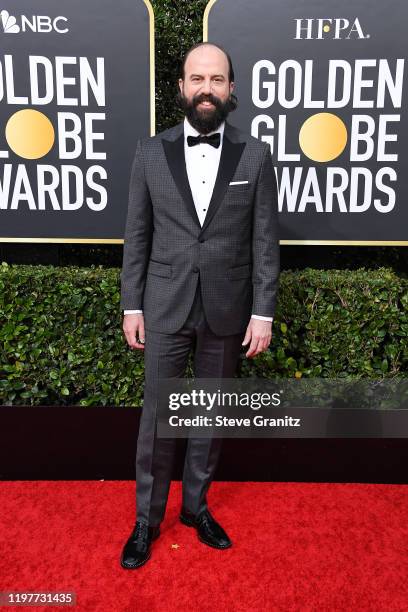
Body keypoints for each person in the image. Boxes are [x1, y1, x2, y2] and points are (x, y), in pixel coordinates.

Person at [119, 42, 280, 569]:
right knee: (157, 420)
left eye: (216, 79)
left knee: (210, 416)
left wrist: (263, 312)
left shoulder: (254, 155)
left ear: (232, 89)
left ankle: (195, 509)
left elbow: (264, 241)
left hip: (227, 307)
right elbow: (137, 236)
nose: (206, 88)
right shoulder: (149, 152)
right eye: (196, 79)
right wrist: (131, 305)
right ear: (182, 88)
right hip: (164, 303)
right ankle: (146, 521)